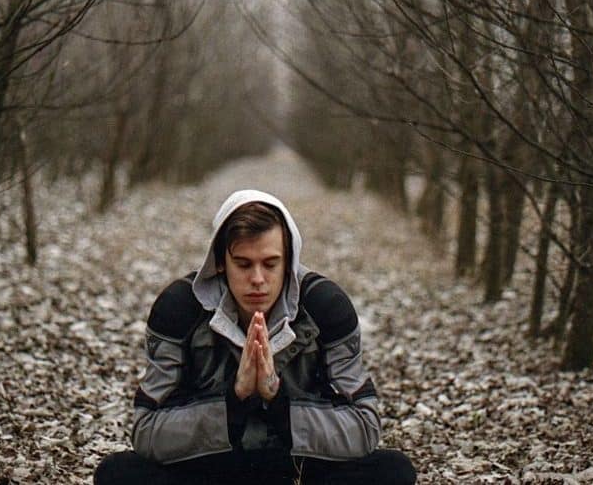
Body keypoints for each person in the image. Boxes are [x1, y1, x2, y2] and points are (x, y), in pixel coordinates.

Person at [94, 190, 416, 485]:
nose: (258, 279)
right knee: (116, 474)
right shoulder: (179, 309)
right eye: (244, 264)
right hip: (209, 469)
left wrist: (278, 403)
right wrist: (233, 400)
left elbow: (365, 426)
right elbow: (146, 430)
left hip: (298, 468)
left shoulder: (326, 307)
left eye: (270, 264)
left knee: (394, 470)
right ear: (220, 263)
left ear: (289, 261)